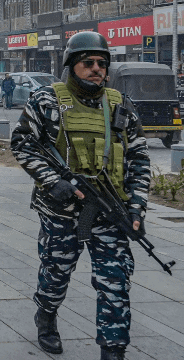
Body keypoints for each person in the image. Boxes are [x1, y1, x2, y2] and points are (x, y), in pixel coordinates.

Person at [10, 32, 149, 360]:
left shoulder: (120, 105)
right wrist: (52, 182)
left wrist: (137, 207)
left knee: (115, 282)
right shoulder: (47, 101)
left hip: (110, 210)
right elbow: (23, 143)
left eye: (102, 63)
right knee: (56, 273)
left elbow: (139, 159)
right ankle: (46, 315)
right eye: (88, 62)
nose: (96, 68)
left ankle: (113, 350)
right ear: (72, 65)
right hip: (61, 210)